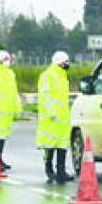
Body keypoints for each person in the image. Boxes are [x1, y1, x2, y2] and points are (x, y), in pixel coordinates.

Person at [37, 50, 73, 182]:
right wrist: (51, 112)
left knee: (62, 144)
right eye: (66, 62)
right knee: (50, 144)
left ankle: (61, 171)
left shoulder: (63, 77)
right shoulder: (47, 76)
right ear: (59, 62)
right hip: (51, 118)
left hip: (62, 118)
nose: (68, 65)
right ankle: (49, 169)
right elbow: (45, 96)